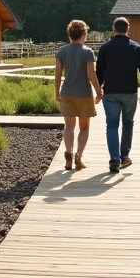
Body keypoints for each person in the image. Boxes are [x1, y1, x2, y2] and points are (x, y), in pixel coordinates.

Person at [96, 17, 140, 174]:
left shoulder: (105, 47)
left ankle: (114, 160)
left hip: (111, 92)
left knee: (112, 126)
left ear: (113, 29)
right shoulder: (135, 47)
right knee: (128, 123)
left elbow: (99, 70)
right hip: (129, 92)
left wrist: (98, 89)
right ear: (128, 29)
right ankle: (125, 156)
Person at [54, 19, 103, 170]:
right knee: (84, 127)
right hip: (83, 94)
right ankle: (78, 157)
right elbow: (91, 74)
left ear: (70, 34)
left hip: (67, 92)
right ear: (83, 34)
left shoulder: (62, 51)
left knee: (69, 126)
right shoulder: (87, 52)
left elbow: (57, 75)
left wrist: (57, 93)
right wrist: (98, 91)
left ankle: (68, 153)